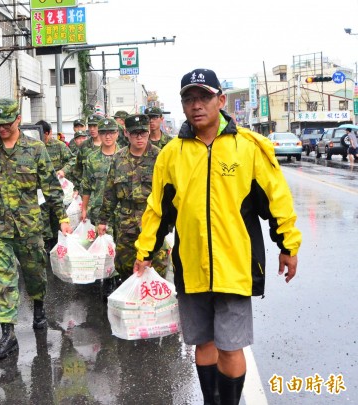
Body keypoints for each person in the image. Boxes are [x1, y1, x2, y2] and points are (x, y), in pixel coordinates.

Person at [133, 69, 302, 405]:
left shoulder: (250, 147)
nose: (197, 105)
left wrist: (288, 245)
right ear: (182, 105)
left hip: (235, 266)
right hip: (191, 265)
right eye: (189, 98)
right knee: (203, 343)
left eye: (204, 97)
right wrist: (145, 252)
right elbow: (158, 209)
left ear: (221, 101)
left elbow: (277, 199)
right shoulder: (172, 154)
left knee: (230, 345)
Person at [0, 99, 72, 361]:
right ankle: (8, 334)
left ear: (18, 120)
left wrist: (63, 217)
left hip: (30, 227)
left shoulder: (35, 149)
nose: (1, 128)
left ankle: (38, 307)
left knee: (35, 274)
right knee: (4, 279)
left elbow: (51, 187)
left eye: (6, 124)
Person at [97, 114, 168, 293]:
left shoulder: (160, 157)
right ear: (126, 134)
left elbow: (170, 191)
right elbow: (110, 191)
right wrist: (103, 220)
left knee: (157, 266)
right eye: (135, 133)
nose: (139, 138)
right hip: (126, 220)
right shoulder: (118, 159)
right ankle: (132, 304)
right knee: (124, 265)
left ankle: (154, 308)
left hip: (152, 220)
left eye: (143, 133)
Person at [35, 119, 75, 250]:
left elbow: (73, 160)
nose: (42, 139)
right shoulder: (33, 147)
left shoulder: (59, 146)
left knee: (57, 217)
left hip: (56, 189)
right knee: (42, 217)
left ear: (49, 133)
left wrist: (64, 170)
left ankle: (58, 243)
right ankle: (46, 244)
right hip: (40, 191)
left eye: (44, 135)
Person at [80, 117, 119, 225]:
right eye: (103, 133)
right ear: (99, 134)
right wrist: (84, 209)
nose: (107, 136)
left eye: (111, 132)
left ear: (117, 133)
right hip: (98, 213)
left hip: (121, 215)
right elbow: (86, 187)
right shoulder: (92, 158)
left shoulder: (124, 157)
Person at [71, 114, 103, 191]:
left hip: (106, 193)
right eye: (90, 126)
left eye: (95, 126)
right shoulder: (84, 146)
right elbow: (78, 171)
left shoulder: (109, 144)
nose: (92, 129)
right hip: (87, 192)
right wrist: (76, 189)